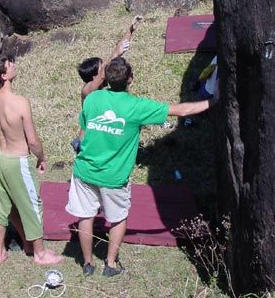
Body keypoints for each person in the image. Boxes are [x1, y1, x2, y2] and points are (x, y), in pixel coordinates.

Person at [65, 56, 215, 277]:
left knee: (85, 217)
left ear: (106, 77)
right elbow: (181, 110)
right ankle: (111, 264)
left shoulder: (91, 99)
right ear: (130, 79)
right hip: (113, 177)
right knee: (117, 218)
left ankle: (87, 264)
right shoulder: (136, 107)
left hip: (84, 171)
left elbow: (84, 131)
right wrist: (214, 101)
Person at [0, 53, 63, 265]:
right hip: (17, 160)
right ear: (4, 75)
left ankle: (0, 251)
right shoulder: (20, 102)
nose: (13, 65)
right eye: (9, 64)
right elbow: (33, 140)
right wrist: (42, 157)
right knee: (32, 205)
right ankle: (40, 253)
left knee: (0, 205)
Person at [72, 16, 142, 152]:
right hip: (86, 143)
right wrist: (115, 54)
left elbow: (118, 49)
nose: (106, 66)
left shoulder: (103, 88)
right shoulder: (88, 90)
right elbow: (108, 65)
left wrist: (130, 30)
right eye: (102, 66)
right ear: (94, 76)